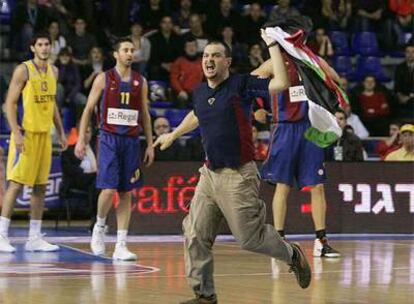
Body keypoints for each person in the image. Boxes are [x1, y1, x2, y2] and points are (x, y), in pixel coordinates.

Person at [154, 36, 311, 304]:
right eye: (205, 56)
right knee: (194, 233)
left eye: (215, 56)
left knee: (250, 239)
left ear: (227, 61)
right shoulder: (201, 91)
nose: (209, 60)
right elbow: (197, 114)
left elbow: (281, 83)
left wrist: (272, 45)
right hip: (209, 175)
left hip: (238, 175)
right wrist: (173, 134)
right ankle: (205, 296)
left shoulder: (241, 85)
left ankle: (292, 254)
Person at [252, 32, 341, 258]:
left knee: (317, 186)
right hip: (285, 127)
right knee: (283, 186)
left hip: (311, 129)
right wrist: (256, 111)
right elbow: (246, 85)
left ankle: (322, 241)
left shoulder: (311, 60)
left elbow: (336, 79)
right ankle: (279, 243)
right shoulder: (274, 62)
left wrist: (322, 74)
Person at [75, 38, 154, 261]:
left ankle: (121, 244)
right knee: (108, 190)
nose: (130, 53)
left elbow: (145, 115)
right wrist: (81, 139)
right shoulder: (104, 78)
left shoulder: (141, 81)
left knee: (126, 192)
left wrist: (149, 143)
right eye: (125, 50)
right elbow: (88, 108)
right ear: (116, 54)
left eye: (132, 50)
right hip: (109, 138)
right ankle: (99, 227)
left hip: (131, 140)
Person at [0, 32, 66, 253]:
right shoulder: (23, 70)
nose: (45, 48)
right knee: (16, 184)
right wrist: (16, 132)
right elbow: (8, 104)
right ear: (33, 47)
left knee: (40, 187)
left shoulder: (54, 71)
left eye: (48, 44)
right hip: (26, 135)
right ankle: (1, 234)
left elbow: (53, 105)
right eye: (41, 44)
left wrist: (61, 132)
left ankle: (34, 238)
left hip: (44, 136)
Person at [61, 124, 98, 230]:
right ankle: (95, 219)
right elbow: (69, 171)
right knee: (96, 181)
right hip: (76, 181)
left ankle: (101, 220)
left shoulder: (97, 148)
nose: (86, 135)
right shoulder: (69, 150)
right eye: (84, 132)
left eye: (88, 132)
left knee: (98, 183)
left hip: (94, 181)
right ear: (78, 133)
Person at [170, 37, 203, 108]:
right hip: (182, 92)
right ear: (185, 49)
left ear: (197, 48)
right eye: (189, 46)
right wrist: (180, 91)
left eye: (193, 46)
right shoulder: (178, 62)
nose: (191, 48)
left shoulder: (203, 62)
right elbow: (174, 79)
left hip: (197, 93)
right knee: (182, 99)